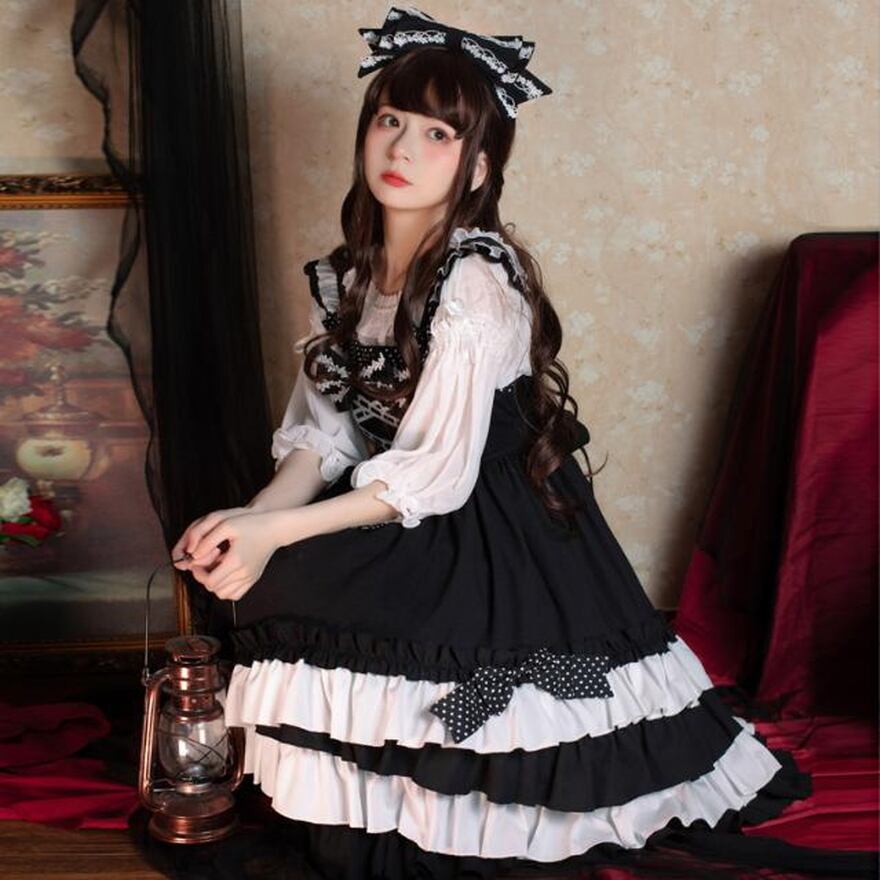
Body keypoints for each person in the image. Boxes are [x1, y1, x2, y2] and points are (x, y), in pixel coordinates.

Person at [170, 7, 810, 879]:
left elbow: (434, 474)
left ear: (475, 167)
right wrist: (250, 521)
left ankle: (444, 804)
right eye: (390, 120)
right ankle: (358, 796)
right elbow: (320, 440)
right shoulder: (347, 275)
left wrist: (277, 534)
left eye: (437, 134)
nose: (402, 147)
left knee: (337, 596)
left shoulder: (473, 281)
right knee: (270, 572)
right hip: (390, 499)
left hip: (491, 523)